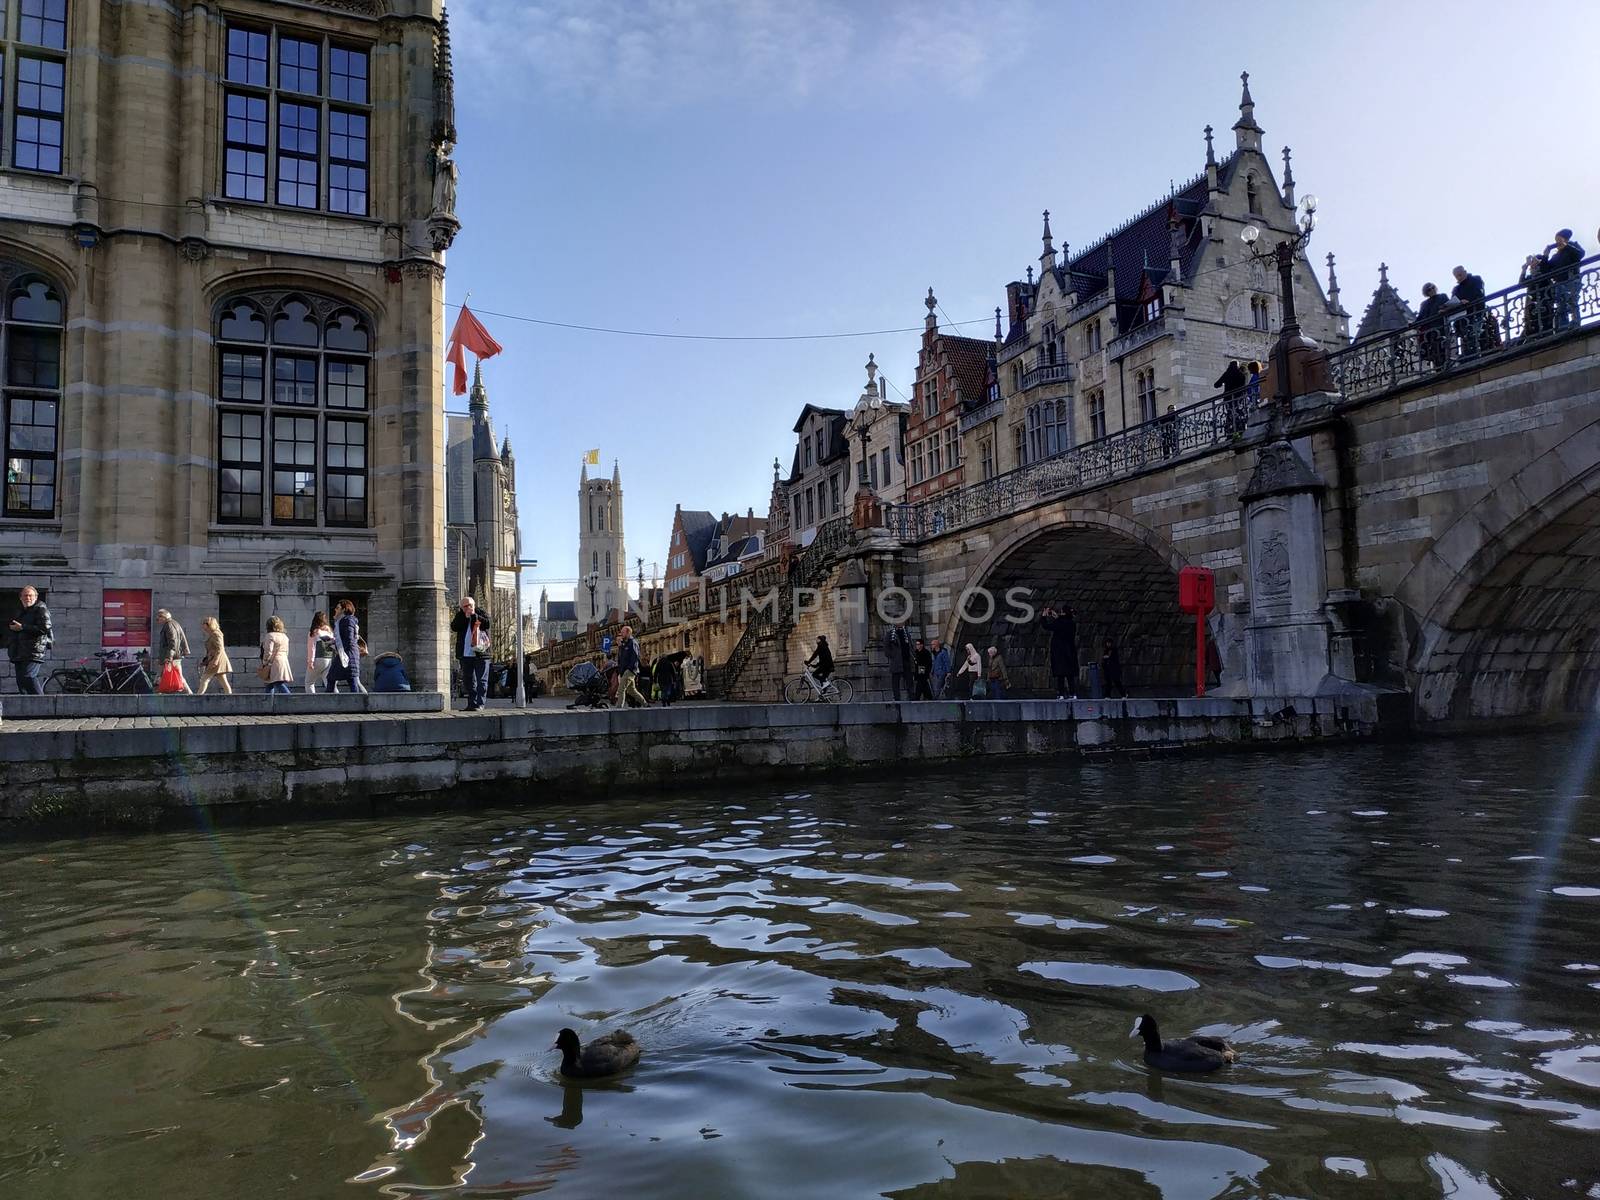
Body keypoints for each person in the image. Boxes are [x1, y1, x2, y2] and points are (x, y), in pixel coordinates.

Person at [449, 595, 492, 711]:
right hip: (465, 654)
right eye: (465, 606)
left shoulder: (480, 612)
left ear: (473, 605)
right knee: (468, 680)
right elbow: (454, 627)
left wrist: (474, 616)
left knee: (481, 680)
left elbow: (487, 624)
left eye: (469, 605)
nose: (467, 608)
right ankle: (472, 703)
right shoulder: (460, 615)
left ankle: (480, 704)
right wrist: (464, 617)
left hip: (481, 654)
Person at [6, 584, 51, 694]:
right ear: (20, 597)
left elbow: (45, 628)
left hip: (33, 651)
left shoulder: (41, 609)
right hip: (19, 652)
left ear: (36, 597)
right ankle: (27, 709)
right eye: (25, 596)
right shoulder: (20, 611)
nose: (28, 598)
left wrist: (22, 627)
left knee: (29, 677)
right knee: (21, 682)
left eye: (30, 595)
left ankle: (43, 705)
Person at [1546, 228, 1585, 331]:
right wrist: (1546, 255)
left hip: (1572, 280)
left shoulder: (1573, 246)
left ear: (1565, 239)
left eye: (1559, 239)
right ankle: (1563, 327)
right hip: (1559, 283)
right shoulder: (1556, 255)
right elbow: (1547, 269)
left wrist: (1566, 246)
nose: (1557, 242)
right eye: (1556, 240)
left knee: (1572, 302)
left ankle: (1576, 323)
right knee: (1561, 306)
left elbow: (1580, 254)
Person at [1450, 264, 1492, 356]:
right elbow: (1453, 301)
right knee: (1465, 339)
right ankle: (1468, 356)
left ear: (1465, 272)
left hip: (1476, 313)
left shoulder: (1476, 279)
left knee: (1474, 335)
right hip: (1462, 318)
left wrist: (1468, 300)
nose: (1459, 277)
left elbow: (1479, 294)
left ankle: (1477, 356)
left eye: (1460, 275)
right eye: (1457, 276)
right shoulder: (1456, 289)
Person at [1039, 604, 1079, 699]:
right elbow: (1064, 623)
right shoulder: (1072, 623)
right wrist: (1057, 618)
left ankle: (1061, 694)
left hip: (1060, 651)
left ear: (1063, 612)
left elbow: (1046, 626)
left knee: (1060, 674)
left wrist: (1044, 616)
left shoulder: (1059, 622)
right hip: (1070, 651)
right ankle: (1073, 693)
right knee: (1070, 674)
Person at [326, 599, 366, 693]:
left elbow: (349, 639)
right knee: (351, 679)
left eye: (337, 608)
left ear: (343, 609)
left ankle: (327, 703)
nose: (335, 610)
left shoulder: (347, 620)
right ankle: (359, 702)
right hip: (346, 653)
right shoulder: (344, 621)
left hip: (347, 654)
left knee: (343, 679)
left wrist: (335, 645)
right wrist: (333, 643)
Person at [156, 608, 193, 694]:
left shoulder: (169, 625)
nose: (158, 620)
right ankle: (190, 694)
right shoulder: (174, 623)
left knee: (162, 678)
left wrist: (169, 657)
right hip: (173, 656)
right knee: (178, 677)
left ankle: (158, 698)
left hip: (171, 657)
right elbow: (181, 639)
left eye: (158, 618)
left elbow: (173, 642)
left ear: (164, 617)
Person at [1416, 282, 1452, 370]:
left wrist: (1444, 310)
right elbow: (1420, 317)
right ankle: (1438, 368)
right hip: (1429, 330)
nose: (1431, 290)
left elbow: (1450, 306)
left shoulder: (1442, 296)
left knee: (1442, 347)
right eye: (1429, 289)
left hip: (1441, 326)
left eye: (1432, 288)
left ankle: (1445, 366)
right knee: (1433, 350)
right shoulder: (1424, 304)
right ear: (1426, 292)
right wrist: (1412, 324)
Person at [196, 616, 233, 695]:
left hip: (217, 660)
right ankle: (229, 696)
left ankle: (197, 697)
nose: (203, 625)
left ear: (209, 624)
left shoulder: (216, 634)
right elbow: (211, 649)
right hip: (214, 659)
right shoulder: (212, 634)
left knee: (204, 679)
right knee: (223, 680)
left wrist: (215, 661)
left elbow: (220, 648)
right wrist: (206, 661)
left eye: (204, 623)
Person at [1521, 253, 1553, 339]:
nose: (1533, 265)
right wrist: (1525, 268)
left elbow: (1545, 268)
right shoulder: (1530, 277)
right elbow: (1521, 283)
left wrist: (1539, 261)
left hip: (1545, 303)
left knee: (1546, 324)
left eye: (1535, 263)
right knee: (1533, 325)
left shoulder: (1544, 271)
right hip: (1533, 306)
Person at [259, 615, 292, 695]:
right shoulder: (285, 636)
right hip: (283, 661)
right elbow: (287, 651)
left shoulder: (270, 636)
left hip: (273, 663)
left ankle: (291, 699)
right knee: (269, 684)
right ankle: (268, 703)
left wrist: (264, 663)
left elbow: (268, 652)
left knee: (277, 683)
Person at [615, 624, 647, 708]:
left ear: (628, 632)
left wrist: (630, 668)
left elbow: (635, 656)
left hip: (629, 670)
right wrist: (620, 646)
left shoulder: (632, 642)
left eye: (623, 632)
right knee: (632, 691)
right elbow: (621, 658)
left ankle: (619, 708)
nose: (621, 634)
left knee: (621, 689)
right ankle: (645, 704)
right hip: (625, 670)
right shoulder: (625, 644)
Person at [305, 612, 336, 693]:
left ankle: (312, 702)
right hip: (329, 659)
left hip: (318, 658)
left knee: (309, 682)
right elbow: (333, 646)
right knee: (329, 682)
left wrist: (310, 662)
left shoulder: (314, 632)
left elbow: (311, 647)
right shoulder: (329, 632)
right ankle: (337, 699)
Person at [884, 623, 913, 701]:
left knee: (910, 683)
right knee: (895, 684)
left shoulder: (906, 633)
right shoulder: (890, 634)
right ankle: (897, 701)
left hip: (906, 661)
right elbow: (886, 649)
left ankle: (911, 699)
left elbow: (910, 646)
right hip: (896, 663)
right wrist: (894, 655)